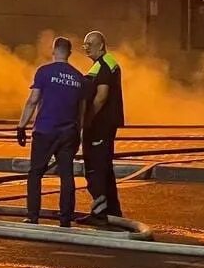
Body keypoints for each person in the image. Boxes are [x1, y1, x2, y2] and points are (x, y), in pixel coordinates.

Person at [16, 36, 85, 227]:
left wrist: (21, 126)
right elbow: (82, 111)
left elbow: (33, 100)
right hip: (68, 132)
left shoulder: (44, 72)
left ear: (53, 50)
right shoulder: (79, 77)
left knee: (36, 173)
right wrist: (78, 133)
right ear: (70, 53)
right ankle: (65, 218)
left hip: (45, 131)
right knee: (66, 174)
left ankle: (32, 215)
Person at [79, 30, 124, 226]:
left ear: (101, 45)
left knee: (95, 168)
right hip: (105, 125)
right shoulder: (106, 64)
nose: (86, 47)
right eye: (84, 44)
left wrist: (87, 119)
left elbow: (101, 96)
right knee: (105, 168)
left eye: (90, 43)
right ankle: (113, 211)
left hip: (99, 126)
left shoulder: (104, 65)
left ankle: (100, 213)